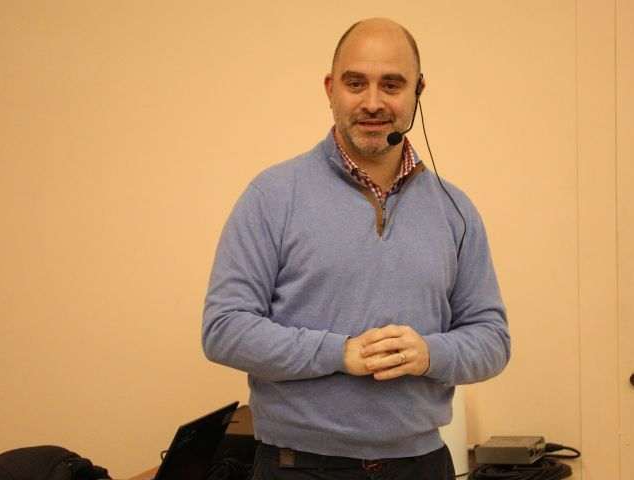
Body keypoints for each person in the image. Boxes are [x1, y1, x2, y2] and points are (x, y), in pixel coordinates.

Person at [202, 17, 510, 480]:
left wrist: (429, 354)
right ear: (330, 89)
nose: (372, 102)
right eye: (355, 83)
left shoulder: (455, 209)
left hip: (422, 465)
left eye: (392, 84)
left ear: (418, 91)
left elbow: (492, 339)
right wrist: (339, 353)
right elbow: (224, 329)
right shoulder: (272, 196)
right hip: (297, 467)